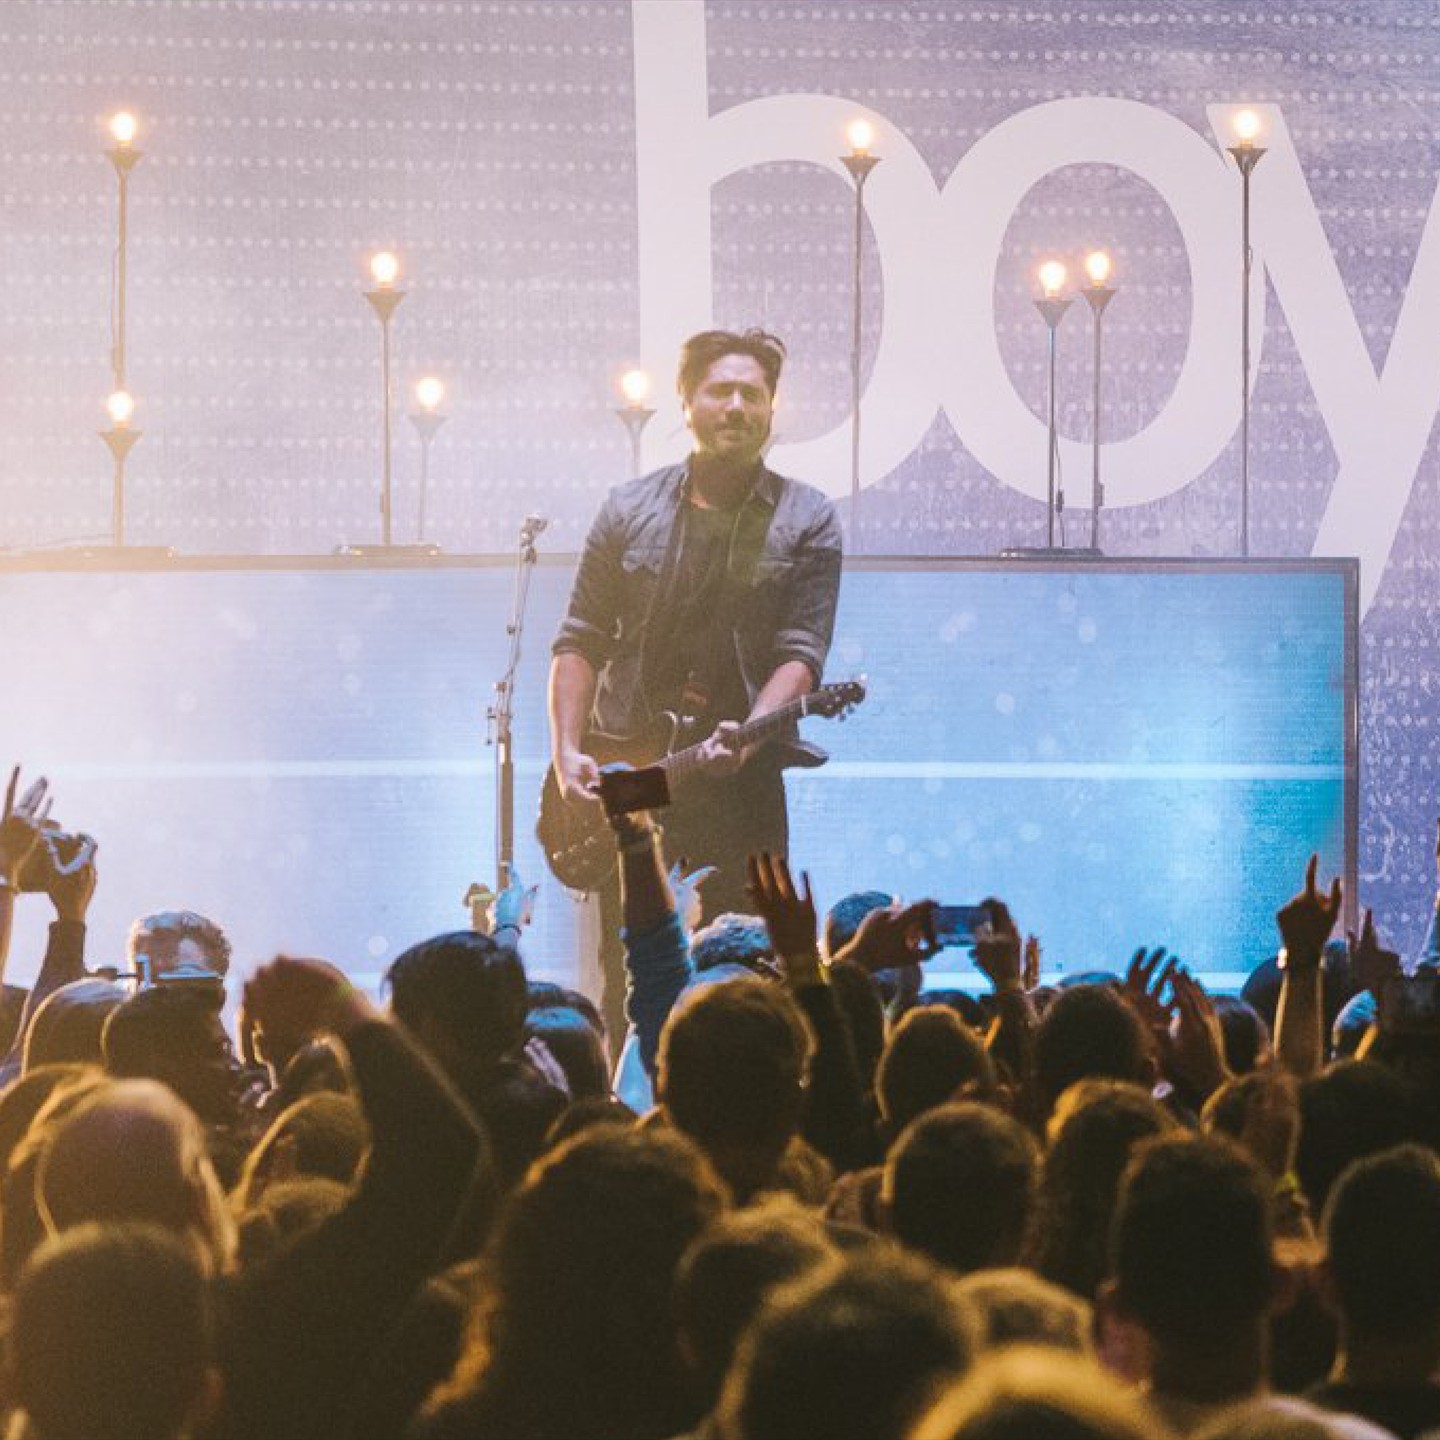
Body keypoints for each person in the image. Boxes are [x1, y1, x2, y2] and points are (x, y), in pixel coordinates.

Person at [549, 327, 843, 1035]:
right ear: (687, 402)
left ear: (772, 409)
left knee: (751, 961)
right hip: (641, 775)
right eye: (721, 391)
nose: (737, 406)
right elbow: (579, 639)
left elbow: (801, 651)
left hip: (740, 781)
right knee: (634, 962)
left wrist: (751, 731)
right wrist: (565, 755)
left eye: (754, 393)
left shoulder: (808, 518)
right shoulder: (628, 509)